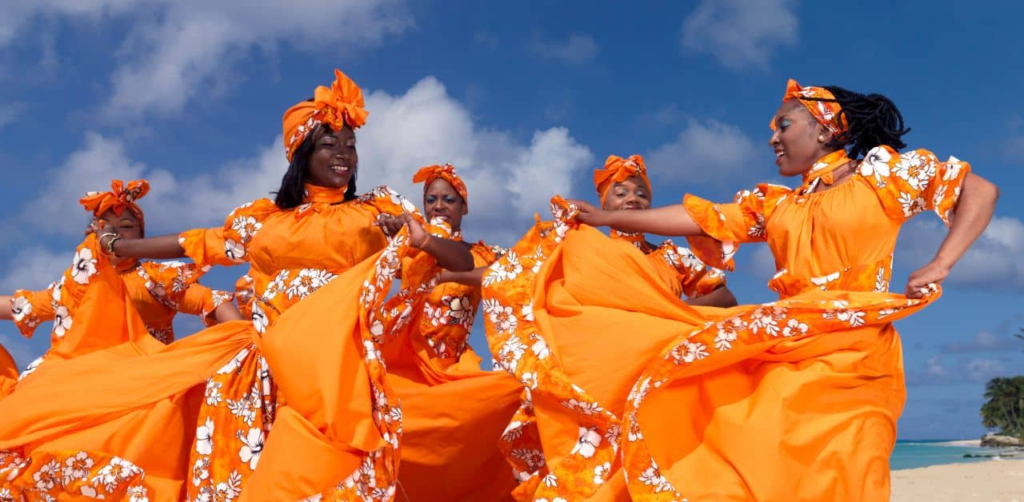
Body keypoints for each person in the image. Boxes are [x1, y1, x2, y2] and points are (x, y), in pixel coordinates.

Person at [482, 79, 998, 500]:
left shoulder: (882, 176)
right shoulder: (776, 204)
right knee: (743, 445)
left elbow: (977, 190)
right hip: (787, 348)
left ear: (825, 128)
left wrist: (942, 262)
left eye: (784, 125)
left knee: (850, 470)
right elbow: (699, 215)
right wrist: (607, 216)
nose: (772, 137)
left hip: (858, 352)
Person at [0, 69, 474, 501]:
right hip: (264, 368)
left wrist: (425, 240)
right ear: (302, 151)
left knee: (329, 469)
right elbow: (196, 244)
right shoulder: (263, 221)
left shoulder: (376, 211)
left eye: (350, 145)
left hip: (336, 364)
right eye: (331, 144)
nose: (344, 155)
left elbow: (460, 258)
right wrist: (122, 249)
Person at [0, 179, 240, 378]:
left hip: (139, 380)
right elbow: (22, 305)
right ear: (91, 234)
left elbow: (211, 301)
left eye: (125, 226)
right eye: (105, 227)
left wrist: (243, 342)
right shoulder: (75, 287)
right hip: (78, 379)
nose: (113, 232)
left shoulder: (156, 278)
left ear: (141, 237)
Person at [593, 154, 737, 308]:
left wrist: (670, 312)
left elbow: (725, 298)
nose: (632, 198)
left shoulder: (674, 257)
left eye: (641, 194)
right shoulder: (592, 252)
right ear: (604, 204)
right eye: (621, 193)